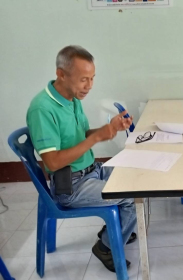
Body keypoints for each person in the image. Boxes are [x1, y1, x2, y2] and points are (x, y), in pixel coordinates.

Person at [26, 45, 137, 273]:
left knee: (136, 178)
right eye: (83, 79)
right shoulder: (42, 108)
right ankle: (106, 246)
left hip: (91, 170)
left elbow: (80, 136)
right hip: (71, 184)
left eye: (92, 78)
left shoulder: (71, 98)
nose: (89, 86)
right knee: (132, 197)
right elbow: (53, 162)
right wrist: (96, 137)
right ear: (61, 74)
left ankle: (119, 228)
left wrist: (109, 128)